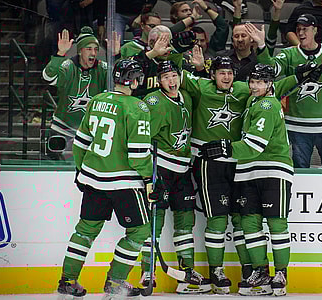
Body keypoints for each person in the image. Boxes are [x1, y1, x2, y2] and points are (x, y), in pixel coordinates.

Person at [56, 59, 152, 299]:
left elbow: (80, 142)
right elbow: (139, 154)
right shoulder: (137, 107)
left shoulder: (97, 100)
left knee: (85, 230)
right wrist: (150, 178)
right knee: (140, 231)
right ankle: (115, 282)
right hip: (123, 182)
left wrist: (81, 170)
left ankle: (67, 281)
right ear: (133, 80)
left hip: (93, 178)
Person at [199, 64, 297, 296]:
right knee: (250, 224)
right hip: (247, 171)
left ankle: (281, 274)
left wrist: (225, 148)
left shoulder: (266, 105)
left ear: (270, 84)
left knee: (276, 224)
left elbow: (255, 145)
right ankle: (261, 273)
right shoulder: (254, 101)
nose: (254, 86)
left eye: (260, 82)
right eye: (252, 81)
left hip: (273, 169)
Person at [181, 52, 252, 294]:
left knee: (241, 219)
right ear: (212, 75)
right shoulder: (202, 87)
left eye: (230, 72)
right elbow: (171, 76)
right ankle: (216, 270)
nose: (226, 76)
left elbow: (272, 85)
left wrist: (297, 75)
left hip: (238, 162)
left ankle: (248, 270)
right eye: (222, 72)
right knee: (218, 219)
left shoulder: (243, 89)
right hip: (209, 163)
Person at [139, 61, 211, 294]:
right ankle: (147, 271)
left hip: (184, 169)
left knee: (185, 222)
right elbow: (142, 137)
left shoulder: (186, 98)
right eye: (165, 77)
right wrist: (147, 173)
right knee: (155, 220)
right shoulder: (154, 102)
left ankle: (186, 274)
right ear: (158, 80)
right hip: (161, 168)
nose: (171, 81)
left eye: (174, 76)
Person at [250, 14, 322, 168]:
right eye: (298, 30)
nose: (301, 33)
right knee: (299, 170)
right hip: (298, 126)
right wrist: (261, 45)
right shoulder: (289, 54)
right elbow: (270, 70)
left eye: (305, 29)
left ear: (315, 30)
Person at [42, 26, 120, 160]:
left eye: (96, 49)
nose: (93, 53)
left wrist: (115, 56)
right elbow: (48, 77)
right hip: (63, 126)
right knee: (53, 163)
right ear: (80, 51)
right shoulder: (68, 66)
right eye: (89, 49)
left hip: (91, 129)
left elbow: (120, 81)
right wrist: (59, 54)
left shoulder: (102, 68)